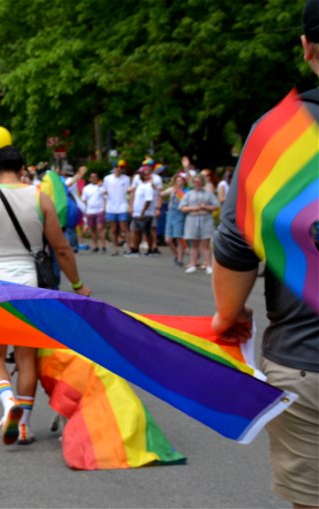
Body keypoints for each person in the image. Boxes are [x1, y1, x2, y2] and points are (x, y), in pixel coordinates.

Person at [213, 4, 319, 506]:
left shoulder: (282, 136)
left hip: (307, 362)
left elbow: (236, 246)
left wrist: (227, 316)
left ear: (306, 46)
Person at [0, 146, 91, 446]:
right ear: (23, 169)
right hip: (30, 283)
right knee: (26, 357)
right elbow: (61, 248)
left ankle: (9, 404)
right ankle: (24, 425)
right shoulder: (39, 197)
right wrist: (78, 285)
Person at [179, 174, 219, 274]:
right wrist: (192, 208)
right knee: (194, 244)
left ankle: (208, 265)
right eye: (195, 181)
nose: (197, 183)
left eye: (199, 181)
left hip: (205, 218)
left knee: (205, 244)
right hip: (192, 218)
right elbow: (182, 207)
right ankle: (193, 264)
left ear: (202, 182)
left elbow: (216, 206)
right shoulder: (189, 194)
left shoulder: (208, 194)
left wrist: (205, 207)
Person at [126, 166, 156, 257]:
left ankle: (146, 250)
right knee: (136, 231)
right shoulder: (141, 185)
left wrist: (143, 212)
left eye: (141, 174)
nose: (139, 175)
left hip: (143, 213)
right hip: (138, 213)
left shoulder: (148, 186)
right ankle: (136, 249)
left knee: (143, 232)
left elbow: (148, 200)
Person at [102, 161, 131, 256]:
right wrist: (104, 206)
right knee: (113, 229)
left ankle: (128, 247)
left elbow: (128, 193)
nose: (118, 169)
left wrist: (130, 205)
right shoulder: (107, 179)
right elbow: (104, 191)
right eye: (116, 167)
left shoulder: (126, 179)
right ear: (113, 168)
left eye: (120, 167)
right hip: (111, 207)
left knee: (124, 228)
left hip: (123, 206)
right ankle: (115, 248)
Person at [161, 173, 189, 267]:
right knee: (168, 239)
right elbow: (162, 194)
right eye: (177, 180)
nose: (178, 182)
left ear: (184, 182)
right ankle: (176, 255)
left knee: (178, 238)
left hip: (180, 214)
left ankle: (180, 259)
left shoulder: (186, 191)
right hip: (170, 214)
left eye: (180, 180)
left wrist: (178, 192)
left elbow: (184, 200)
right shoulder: (172, 189)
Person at [81, 172, 106, 252]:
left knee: (100, 228)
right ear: (89, 179)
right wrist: (85, 210)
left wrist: (104, 208)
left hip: (100, 210)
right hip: (90, 211)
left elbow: (106, 197)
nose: (93, 178)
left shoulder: (102, 187)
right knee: (93, 229)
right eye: (92, 177)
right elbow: (84, 200)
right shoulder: (86, 188)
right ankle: (96, 246)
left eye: (95, 177)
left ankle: (104, 245)